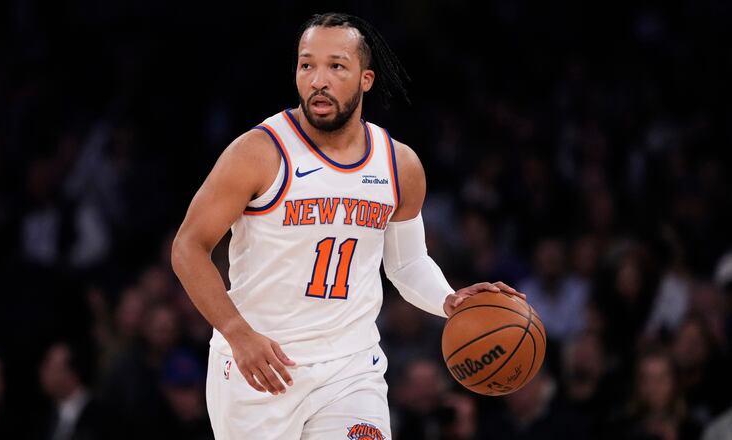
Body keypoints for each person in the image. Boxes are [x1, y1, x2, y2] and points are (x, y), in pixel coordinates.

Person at [171, 12, 524, 439]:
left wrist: (448, 300)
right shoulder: (258, 152)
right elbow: (188, 247)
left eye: (336, 66)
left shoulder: (399, 164)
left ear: (366, 79)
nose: (318, 79)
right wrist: (236, 333)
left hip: (350, 367)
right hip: (259, 365)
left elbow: (408, 263)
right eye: (307, 65)